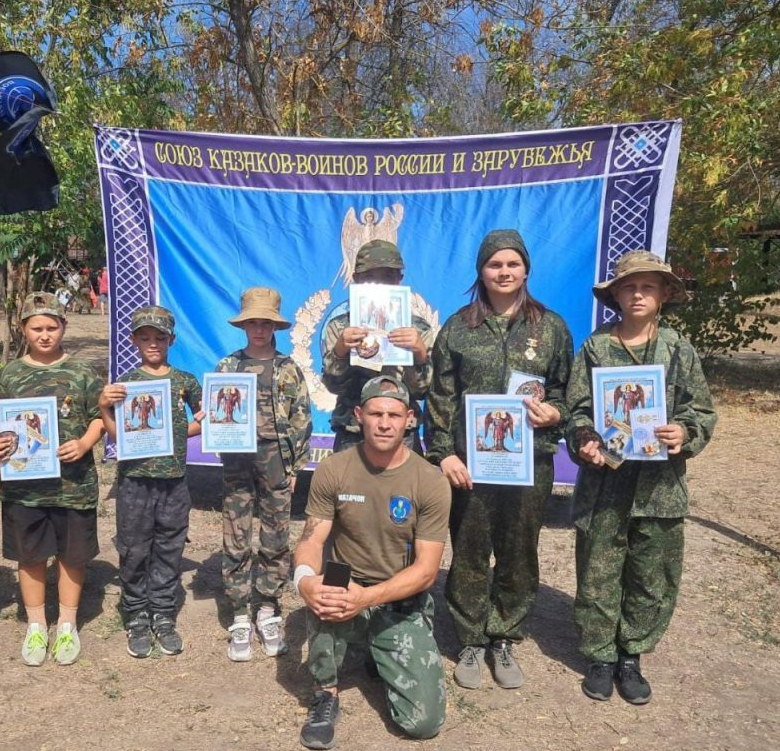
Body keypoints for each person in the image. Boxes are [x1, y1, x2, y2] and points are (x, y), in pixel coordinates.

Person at [565, 250, 716, 704]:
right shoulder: (596, 347)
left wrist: (683, 431)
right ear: (615, 295)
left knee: (652, 572)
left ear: (665, 294)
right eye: (629, 287)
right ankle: (600, 656)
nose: (637, 294)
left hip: (659, 487)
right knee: (598, 569)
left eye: (647, 286)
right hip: (605, 484)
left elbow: (701, 409)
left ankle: (632, 655)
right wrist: (585, 438)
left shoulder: (678, 348)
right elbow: (577, 410)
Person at [426, 229, 573, 689]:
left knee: (518, 550)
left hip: (529, 464)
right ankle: (470, 638)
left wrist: (557, 413)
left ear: (526, 269)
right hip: (471, 465)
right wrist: (444, 454)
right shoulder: (458, 328)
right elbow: (440, 398)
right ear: (481, 271)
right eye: (495, 264)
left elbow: (572, 393)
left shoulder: (551, 328)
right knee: (469, 551)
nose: (504, 272)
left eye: (512, 264)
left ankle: (504, 634)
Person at [294, 376, 450, 750]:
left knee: (423, 723)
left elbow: (427, 570)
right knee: (325, 589)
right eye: (376, 413)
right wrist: (303, 580)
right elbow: (312, 537)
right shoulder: (334, 469)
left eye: (394, 415)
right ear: (359, 415)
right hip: (344, 581)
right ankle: (325, 693)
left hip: (395, 592)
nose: (384, 423)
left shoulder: (429, 480)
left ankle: (378, 650)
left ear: (410, 419)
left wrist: (366, 599)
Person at [0, 292, 105, 667]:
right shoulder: (11, 374)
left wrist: (85, 442)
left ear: (63, 327)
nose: (45, 335)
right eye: (37, 328)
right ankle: (36, 623)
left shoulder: (83, 373)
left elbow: (99, 418)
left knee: (73, 555)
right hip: (25, 486)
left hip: (74, 483)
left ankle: (67, 621)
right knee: (30, 555)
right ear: (24, 330)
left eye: (52, 327)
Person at [99, 306, 203, 658]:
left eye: (160, 337)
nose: (153, 343)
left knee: (169, 548)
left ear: (171, 339)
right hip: (135, 481)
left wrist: (179, 433)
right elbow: (118, 437)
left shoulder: (185, 381)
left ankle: (162, 613)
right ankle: (136, 615)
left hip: (173, 481)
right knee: (133, 548)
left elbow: (210, 417)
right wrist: (103, 408)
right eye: (145, 337)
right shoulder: (124, 384)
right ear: (134, 340)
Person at [217, 287, 311, 661]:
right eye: (253, 322)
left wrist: (295, 466)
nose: (259, 329)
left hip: (276, 456)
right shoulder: (228, 367)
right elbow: (218, 410)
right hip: (238, 460)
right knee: (236, 530)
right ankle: (240, 610)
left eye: (265, 323)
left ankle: (268, 606)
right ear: (244, 326)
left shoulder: (288, 367)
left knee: (276, 533)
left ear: (275, 326)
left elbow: (302, 417)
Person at [321, 239, 433, 453]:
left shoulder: (418, 329)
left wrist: (419, 354)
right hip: (353, 430)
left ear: (399, 279)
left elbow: (422, 391)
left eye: (388, 276)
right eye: (370, 277)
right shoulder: (340, 327)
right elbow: (333, 386)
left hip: (401, 434)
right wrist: (340, 352)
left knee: (404, 488)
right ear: (356, 279)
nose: (380, 283)